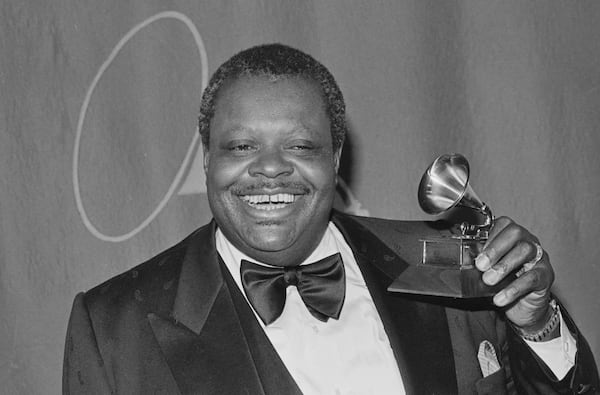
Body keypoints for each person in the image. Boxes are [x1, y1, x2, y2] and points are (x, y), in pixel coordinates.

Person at [63, 43, 599, 394]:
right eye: (242, 145)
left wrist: (537, 322)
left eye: (299, 145)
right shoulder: (116, 326)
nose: (270, 168)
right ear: (207, 159)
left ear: (335, 158)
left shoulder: (454, 264)